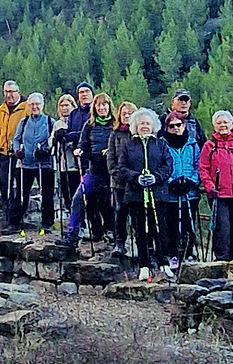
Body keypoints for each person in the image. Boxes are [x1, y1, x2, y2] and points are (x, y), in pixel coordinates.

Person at [116, 108, 173, 281]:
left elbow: (168, 165)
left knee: (160, 229)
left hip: (158, 194)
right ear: (135, 126)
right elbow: (122, 169)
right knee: (140, 230)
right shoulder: (128, 146)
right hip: (136, 195)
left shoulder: (161, 144)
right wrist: (137, 178)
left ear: (153, 125)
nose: (145, 126)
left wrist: (156, 177)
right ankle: (144, 265)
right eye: (142, 124)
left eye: (148, 123)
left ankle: (163, 262)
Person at [199, 111, 233, 262]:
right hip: (219, 195)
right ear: (214, 126)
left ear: (231, 125)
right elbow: (203, 168)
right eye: (219, 123)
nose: (222, 125)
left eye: (225, 122)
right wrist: (209, 186)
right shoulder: (210, 146)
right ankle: (221, 260)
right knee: (222, 228)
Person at [65, 93, 117, 247]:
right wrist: (79, 150)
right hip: (93, 170)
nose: (101, 108)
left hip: (111, 173)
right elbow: (83, 144)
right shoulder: (89, 125)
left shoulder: (115, 125)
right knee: (78, 198)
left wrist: (111, 151)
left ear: (109, 106)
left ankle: (113, 232)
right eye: (98, 105)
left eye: (104, 105)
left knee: (109, 203)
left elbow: (121, 145)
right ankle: (73, 232)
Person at [157, 111, 202, 278]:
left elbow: (198, 165)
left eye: (179, 125)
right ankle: (173, 254)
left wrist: (192, 181)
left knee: (189, 224)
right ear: (166, 127)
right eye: (172, 126)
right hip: (170, 191)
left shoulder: (192, 144)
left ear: (184, 126)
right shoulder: (162, 144)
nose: (176, 128)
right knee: (172, 224)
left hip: (189, 191)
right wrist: (171, 182)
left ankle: (189, 253)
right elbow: (160, 165)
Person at [12, 93, 56, 233]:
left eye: (37, 104)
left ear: (42, 105)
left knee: (47, 194)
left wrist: (46, 150)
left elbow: (53, 141)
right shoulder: (23, 122)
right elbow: (16, 139)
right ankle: (15, 222)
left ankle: (47, 223)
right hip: (25, 164)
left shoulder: (50, 122)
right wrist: (17, 150)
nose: (34, 107)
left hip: (44, 164)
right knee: (20, 193)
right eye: (31, 105)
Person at [0, 81, 30, 227]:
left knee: (19, 186)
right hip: (4, 153)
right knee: (4, 185)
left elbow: (28, 129)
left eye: (12, 91)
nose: (9, 95)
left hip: (19, 154)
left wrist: (23, 148)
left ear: (18, 92)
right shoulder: (1, 109)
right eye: (6, 92)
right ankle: (8, 217)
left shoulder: (25, 108)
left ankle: (18, 217)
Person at [106, 102, 137, 255]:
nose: (126, 116)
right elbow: (110, 159)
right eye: (124, 113)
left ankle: (142, 245)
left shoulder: (138, 135)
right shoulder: (115, 134)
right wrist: (117, 174)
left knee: (138, 216)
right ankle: (119, 244)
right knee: (120, 212)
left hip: (136, 183)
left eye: (130, 113)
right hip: (119, 183)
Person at [51, 94, 81, 220]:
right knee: (66, 193)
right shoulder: (57, 124)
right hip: (63, 164)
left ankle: (80, 221)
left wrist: (69, 138)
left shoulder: (77, 121)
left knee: (76, 193)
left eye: (67, 105)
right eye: (62, 106)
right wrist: (56, 138)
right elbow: (51, 142)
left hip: (75, 164)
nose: (64, 108)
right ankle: (72, 220)